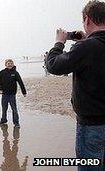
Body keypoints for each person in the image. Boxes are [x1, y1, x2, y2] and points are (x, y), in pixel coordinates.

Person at [45, 1, 105, 170]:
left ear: (87, 20)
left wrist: (59, 43)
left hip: (93, 124)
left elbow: (53, 65)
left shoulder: (86, 48)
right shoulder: (88, 45)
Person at [0, 59, 26, 127]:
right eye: (8, 63)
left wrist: (24, 92)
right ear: (5, 64)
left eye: (11, 63)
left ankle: (16, 123)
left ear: (13, 64)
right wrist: (0, 89)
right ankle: (3, 120)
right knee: (4, 109)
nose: (10, 64)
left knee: (14, 109)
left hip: (12, 95)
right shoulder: (2, 72)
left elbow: (20, 82)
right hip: (4, 94)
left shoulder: (15, 73)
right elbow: (0, 82)